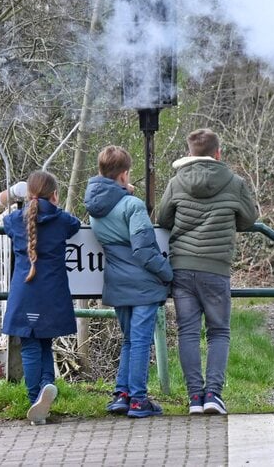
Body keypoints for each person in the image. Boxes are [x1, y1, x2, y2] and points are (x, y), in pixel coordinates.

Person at [156, 129, 259, 415]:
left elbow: (162, 218)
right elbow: (249, 218)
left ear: (189, 154)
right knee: (218, 332)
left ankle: (194, 399)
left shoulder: (177, 182)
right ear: (218, 153)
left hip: (183, 266)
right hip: (216, 268)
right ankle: (213, 394)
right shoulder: (234, 182)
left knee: (188, 332)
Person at [84, 145, 172, 418]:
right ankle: (138, 400)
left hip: (116, 282)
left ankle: (121, 394)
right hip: (143, 285)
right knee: (141, 342)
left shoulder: (94, 207)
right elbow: (144, 250)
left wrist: (124, 192)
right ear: (124, 174)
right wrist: (168, 274)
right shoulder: (132, 205)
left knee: (129, 340)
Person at [2, 171, 80, 424]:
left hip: (25, 293)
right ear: (55, 195)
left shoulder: (15, 220)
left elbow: (6, 223)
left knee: (30, 345)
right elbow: (75, 225)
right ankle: (46, 388)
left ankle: (35, 396)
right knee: (45, 342)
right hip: (52, 293)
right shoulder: (62, 220)